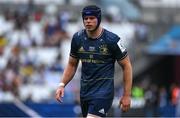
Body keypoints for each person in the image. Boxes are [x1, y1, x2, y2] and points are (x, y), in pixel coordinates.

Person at [55, 5, 132, 117]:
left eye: (92, 18)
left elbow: (127, 66)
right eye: (85, 19)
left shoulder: (112, 40)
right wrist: (62, 85)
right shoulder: (77, 38)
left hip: (103, 93)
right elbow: (72, 64)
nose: (88, 21)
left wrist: (127, 95)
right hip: (85, 93)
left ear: (99, 19)